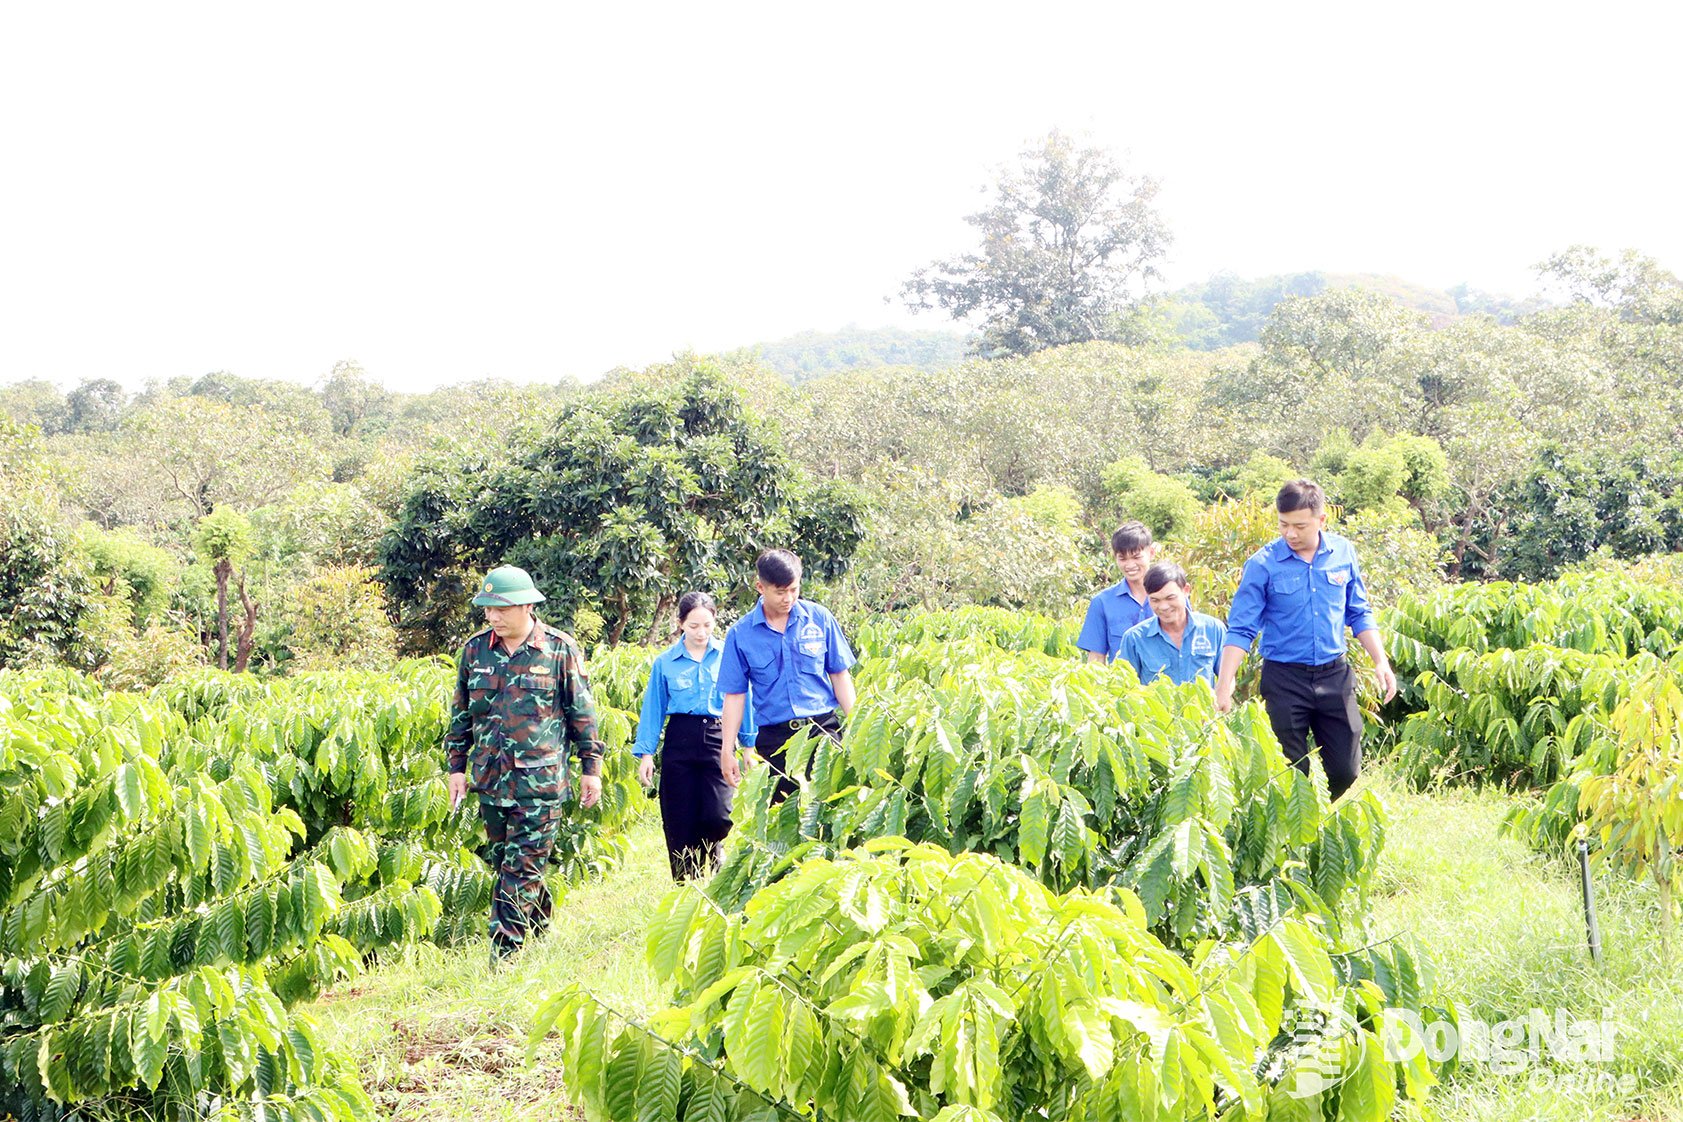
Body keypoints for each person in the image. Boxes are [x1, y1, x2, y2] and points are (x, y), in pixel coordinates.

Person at [444, 564, 603, 961]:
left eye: (501, 609)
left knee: (520, 868)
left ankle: (505, 956)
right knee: (509, 864)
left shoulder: (559, 649)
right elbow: (461, 715)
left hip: (540, 783)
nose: (493, 617)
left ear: (527, 606)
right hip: (491, 781)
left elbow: (582, 715)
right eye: (488, 610)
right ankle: (540, 933)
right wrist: (456, 768)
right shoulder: (475, 650)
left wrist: (591, 770)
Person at [1214, 480, 1398, 801]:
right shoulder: (1262, 564)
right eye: (1283, 525)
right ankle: (1297, 829)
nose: (1290, 534)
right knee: (1290, 770)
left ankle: (1315, 812)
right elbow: (1241, 628)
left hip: (1334, 675)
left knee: (1345, 769)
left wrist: (1381, 661)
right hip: (1284, 679)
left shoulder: (1343, 552)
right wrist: (1225, 681)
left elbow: (1359, 612)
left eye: (1300, 526)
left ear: (1321, 520)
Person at [633, 591, 757, 880]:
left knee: (719, 815)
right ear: (680, 624)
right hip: (680, 739)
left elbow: (743, 700)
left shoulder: (729, 655)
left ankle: (714, 851)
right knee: (679, 818)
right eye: (693, 626)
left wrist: (748, 745)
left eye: (707, 626)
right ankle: (686, 884)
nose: (701, 633)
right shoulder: (665, 662)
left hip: (719, 738)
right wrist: (646, 754)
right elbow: (653, 708)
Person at [718, 549, 856, 802]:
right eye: (780, 592)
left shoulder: (820, 619)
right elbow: (735, 696)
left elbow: (840, 675)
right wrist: (727, 749)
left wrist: (857, 725)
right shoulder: (741, 634)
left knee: (832, 807)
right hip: (775, 740)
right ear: (760, 586)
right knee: (784, 817)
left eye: (794, 589)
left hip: (823, 732)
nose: (788, 598)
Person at [1117, 562, 1227, 687]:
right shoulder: (1134, 639)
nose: (1163, 607)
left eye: (1170, 598)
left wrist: (1221, 697)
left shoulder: (1213, 629)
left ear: (1186, 590)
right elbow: (1124, 687)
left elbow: (1227, 678)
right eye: (1155, 600)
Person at [1077, 521, 1157, 664]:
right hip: (1123, 685)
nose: (1130, 565)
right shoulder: (1102, 603)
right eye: (1123, 558)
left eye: (1136, 557)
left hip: (1167, 685)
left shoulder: (1172, 598)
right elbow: (1096, 659)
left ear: (1151, 553)